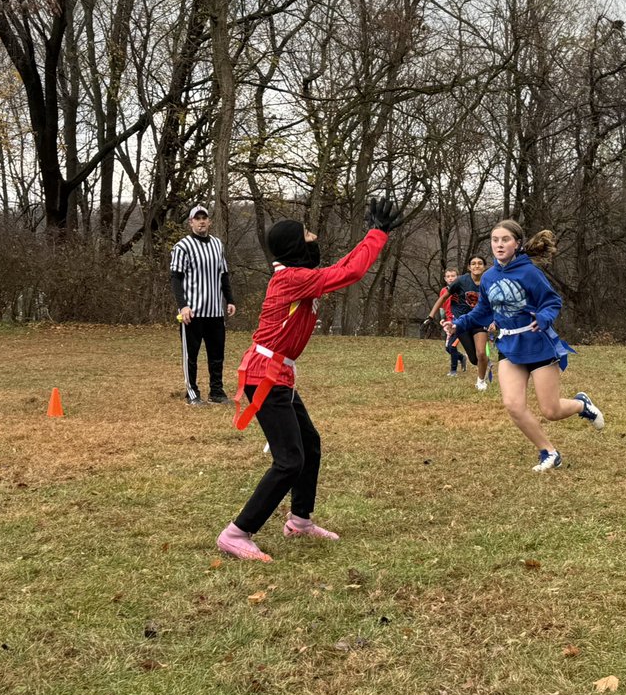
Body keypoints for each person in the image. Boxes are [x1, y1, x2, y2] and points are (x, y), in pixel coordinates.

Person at [216, 196, 404, 562]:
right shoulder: (291, 279)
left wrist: (373, 235)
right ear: (295, 246)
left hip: (278, 374)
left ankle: (299, 520)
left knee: (310, 445)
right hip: (265, 376)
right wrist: (377, 234)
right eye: (307, 234)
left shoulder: (299, 277)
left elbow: (342, 267)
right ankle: (237, 533)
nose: (315, 236)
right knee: (289, 461)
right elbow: (349, 273)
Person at [444, 220, 604, 473]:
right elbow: (483, 311)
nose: (499, 245)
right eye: (495, 240)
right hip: (509, 348)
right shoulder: (488, 277)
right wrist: (458, 324)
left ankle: (582, 404)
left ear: (516, 243)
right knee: (513, 405)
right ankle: (549, 452)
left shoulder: (529, 273)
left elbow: (552, 302)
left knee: (551, 410)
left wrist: (543, 318)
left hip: (539, 347)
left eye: (505, 239)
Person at [170, 205, 237, 406]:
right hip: (193, 312)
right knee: (191, 355)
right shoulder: (182, 246)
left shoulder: (217, 244)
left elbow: (223, 274)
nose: (201, 221)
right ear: (190, 222)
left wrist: (230, 299)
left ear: (209, 221)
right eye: (196, 218)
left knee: (217, 354)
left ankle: (216, 391)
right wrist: (183, 306)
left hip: (215, 311)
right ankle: (192, 393)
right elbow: (175, 278)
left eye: (204, 218)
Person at [428, 256, 490, 391]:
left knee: (480, 353)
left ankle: (481, 381)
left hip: (480, 322)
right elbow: (444, 297)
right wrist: (431, 316)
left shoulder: (489, 281)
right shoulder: (461, 281)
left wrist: (495, 320)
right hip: (462, 323)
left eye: (480, 263)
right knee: (474, 359)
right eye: (473, 263)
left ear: (484, 266)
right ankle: (485, 362)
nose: (477, 266)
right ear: (469, 267)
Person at [426, 268, 466, 377]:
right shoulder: (444, 291)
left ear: (458, 277)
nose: (450, 278)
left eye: (453, 276)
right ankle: (461, 357)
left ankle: (453, 371)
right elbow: (442, 306)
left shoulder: (461, 289)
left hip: (459, 322)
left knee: (452, 346)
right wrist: (442, 318)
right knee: (448, 348)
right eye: (448, 276)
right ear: (445, 279)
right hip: (448, 322)